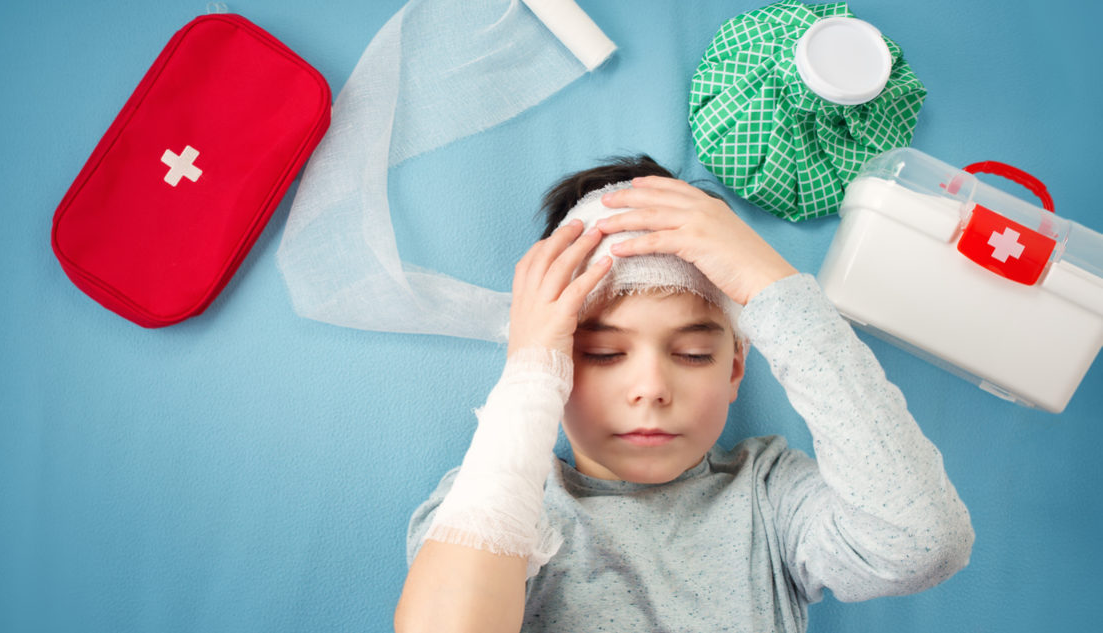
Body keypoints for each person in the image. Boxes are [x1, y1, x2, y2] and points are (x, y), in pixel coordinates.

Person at [393, 156, 973, 633]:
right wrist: (526, 379)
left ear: (735, 367)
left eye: (693, 354)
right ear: (554, 368)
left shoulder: (769, 496)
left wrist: (774, 290)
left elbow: (922, 546)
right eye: (602, 353)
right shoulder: (499, 500)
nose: (650, 390)